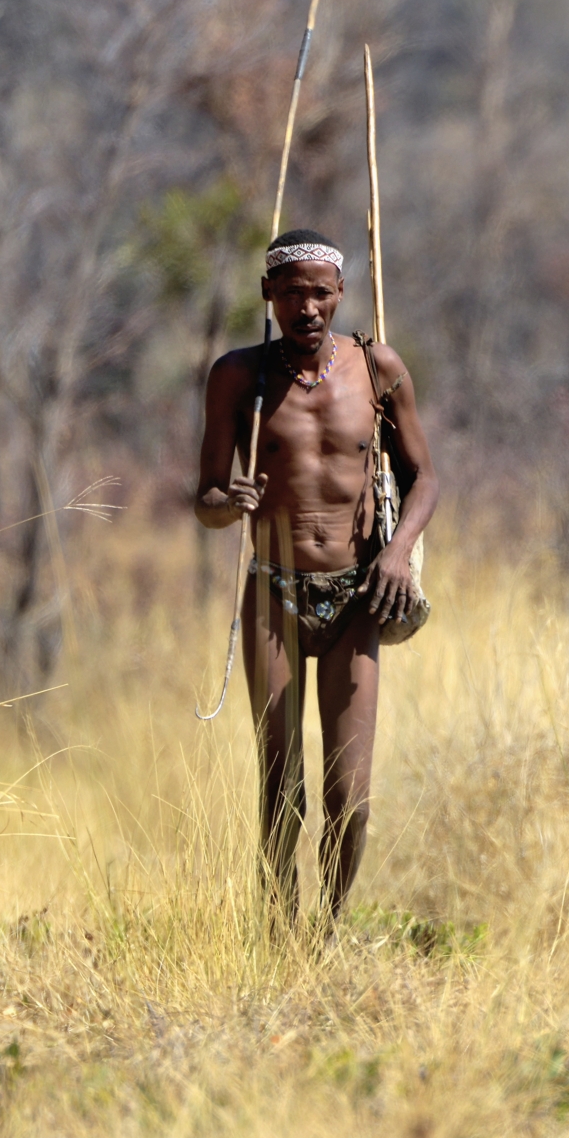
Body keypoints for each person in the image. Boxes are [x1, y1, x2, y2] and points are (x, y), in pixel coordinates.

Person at [194, 229, 438, 928]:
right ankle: (278, 932)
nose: (307, 307)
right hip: (274, 590)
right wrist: (227, 501)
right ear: (268, 294)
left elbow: (426, 480)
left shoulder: (378, 369)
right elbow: (206, 498)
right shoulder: (241, 377)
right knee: (280, 785)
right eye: (293, 292)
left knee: (350, 797)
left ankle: (324, 931)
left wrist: (397, 554)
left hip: (357, 598)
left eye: (321, 293)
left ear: (340, 296)